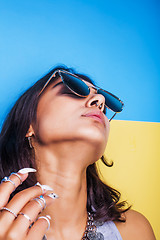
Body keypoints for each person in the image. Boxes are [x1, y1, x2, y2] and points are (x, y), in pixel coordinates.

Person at [0, 65, 156, 240]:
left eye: (104, 107)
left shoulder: (134, 231)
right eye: (74, 89)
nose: (99, 100)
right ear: (30, 123)